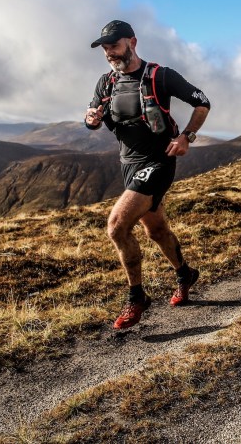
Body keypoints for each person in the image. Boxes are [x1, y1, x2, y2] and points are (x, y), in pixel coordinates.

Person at [84, 20, 211, 329]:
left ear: (132, 42)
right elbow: (92, 118)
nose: (109, 53)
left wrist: (186, 137)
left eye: (114, 46)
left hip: (159, 161)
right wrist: (91, 119)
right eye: (105, 48)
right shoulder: (106, 82)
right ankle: (185, 274)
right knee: (156, 230)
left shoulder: (160, 76)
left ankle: (136, 297)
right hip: (128, 164)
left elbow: (202, 102)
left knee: (116, 226)